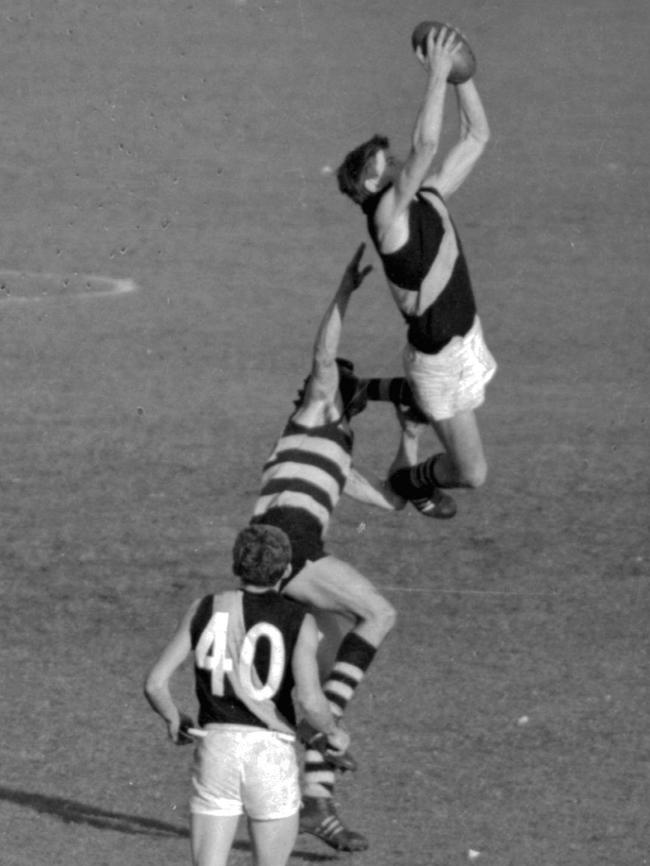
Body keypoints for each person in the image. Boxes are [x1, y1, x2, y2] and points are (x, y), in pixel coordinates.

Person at [249, 243, 408, 852]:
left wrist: (413, 438)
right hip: (288, 545)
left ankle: (316, 798)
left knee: (315, 669)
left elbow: (394, 501)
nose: (331, 384)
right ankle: (327, 734)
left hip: (275, 549)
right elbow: (322, 355)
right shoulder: (314, 413)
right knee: (379, 615)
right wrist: (343, 291)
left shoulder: (336, 454)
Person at [336, 24, 498, 519]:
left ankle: (376, 391)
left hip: (466, 338)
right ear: (372, 180)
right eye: (390, 162)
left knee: (459, 427)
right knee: (472, 473)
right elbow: (427, 145)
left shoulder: (429, 195)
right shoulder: (385, 219)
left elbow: (477, 135)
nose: (403, 159)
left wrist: (460, 78)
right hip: (440, 361)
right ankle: (409, 479)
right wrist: (437, 72)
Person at [143, 523, 350, 866]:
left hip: (216, 750)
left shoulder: (204, 607)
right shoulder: (299, 620)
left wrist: (173, 716)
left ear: (236, 565)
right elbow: (312, 702)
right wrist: (333, 733)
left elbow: (154, 683)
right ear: (285, 570)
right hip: (270, 754)